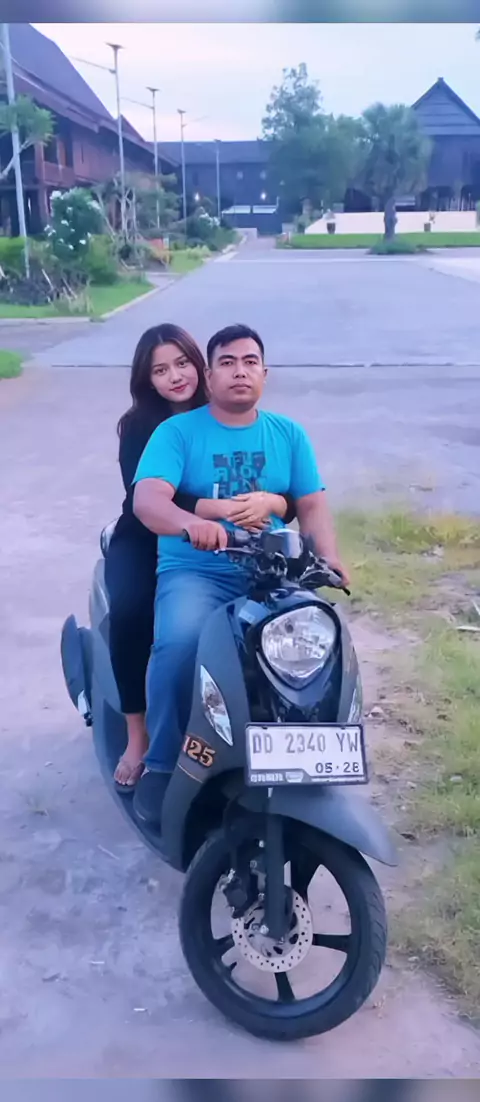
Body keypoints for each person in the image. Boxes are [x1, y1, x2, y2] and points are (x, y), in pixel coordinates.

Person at [132, 323, 349, 828]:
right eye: (227, 363)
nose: (239, 372)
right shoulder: (177, 433)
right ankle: (162, 764)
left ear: (265, 374)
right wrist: (190, 525)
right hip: (198, 571)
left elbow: (311, 503)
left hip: (273, 573)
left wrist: (330, 558)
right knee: (179, 643)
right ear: (209, 377)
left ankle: (311, 759)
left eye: (250, 362)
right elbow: (147, 500)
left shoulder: (288, 434)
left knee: (317, 648)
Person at [105, 322, 294, 791]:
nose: (175, 377)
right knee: (134, 612)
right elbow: (148, 499)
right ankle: (139, 735)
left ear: (202, 367)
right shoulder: (145, 427)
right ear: (147, 380)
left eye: (182, 363)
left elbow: (285, 492)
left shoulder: (229, 411)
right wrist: (216, 510)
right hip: (147, 537)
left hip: (222, 541)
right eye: (160, 370)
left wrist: (271, 503)